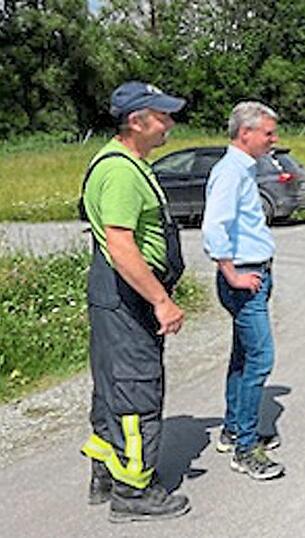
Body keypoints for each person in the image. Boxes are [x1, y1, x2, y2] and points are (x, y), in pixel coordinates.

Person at [79, 81, 190, 523]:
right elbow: (121, 245)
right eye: (162, 115)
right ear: (136, 121)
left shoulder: (125, 162)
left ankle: (105, 472)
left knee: (113, 386)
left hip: (116, 297)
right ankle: (133, 491)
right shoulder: (121, 171)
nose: (169, 123)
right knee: (135, 388)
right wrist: (161, 300)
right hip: (127, 298)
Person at [201, 101, 284, 480]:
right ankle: (246, 448)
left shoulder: (242, 170)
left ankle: (234, 427)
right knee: (260, 359)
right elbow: (214, 226)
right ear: (245, 133)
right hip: (245, 279)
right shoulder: (230, 172)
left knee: (242, 356)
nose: (273, 139)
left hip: (254, 274)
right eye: (268, 133)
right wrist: (231, 274)